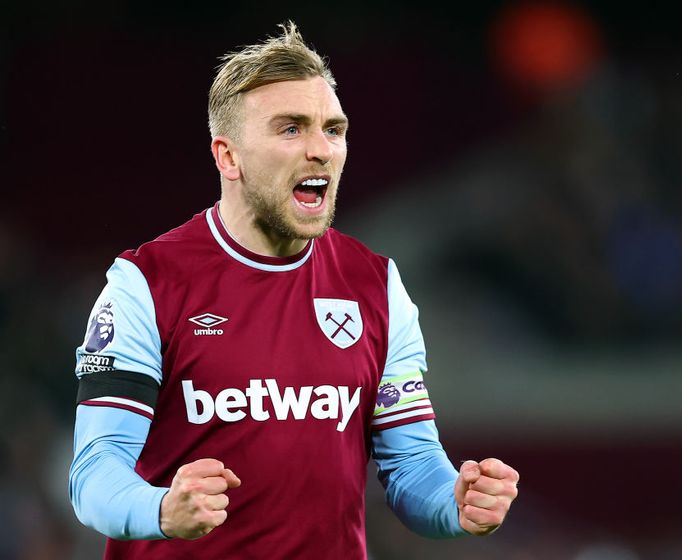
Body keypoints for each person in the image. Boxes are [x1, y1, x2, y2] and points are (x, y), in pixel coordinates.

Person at [68, 22, 519, 559]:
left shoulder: (376, 285)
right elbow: (94, 471)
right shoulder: (146, 285)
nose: (321, 150)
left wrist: (457, 502)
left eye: (333, 128)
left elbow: (412, 465)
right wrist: (161, 509)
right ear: (228, 156)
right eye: (291, 129)